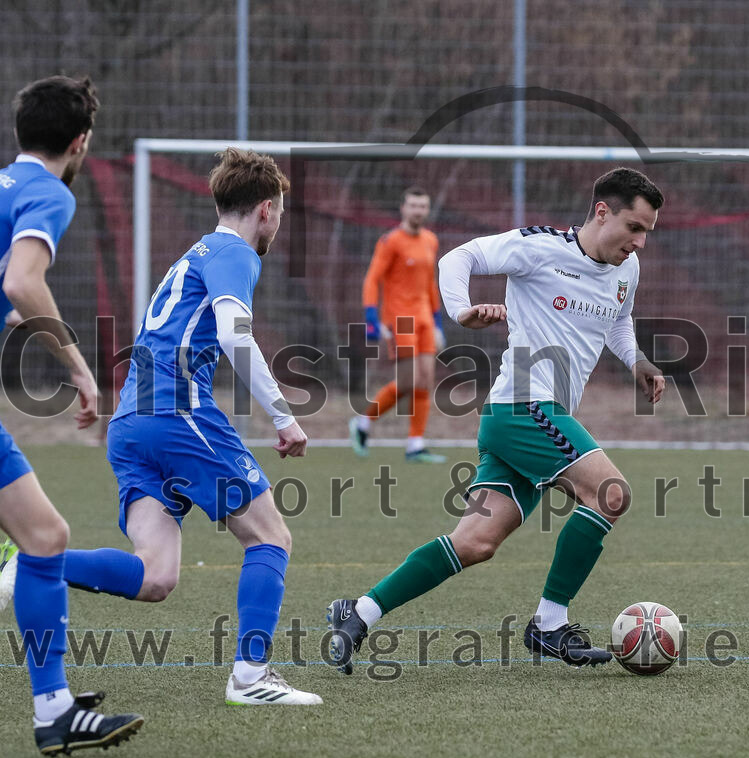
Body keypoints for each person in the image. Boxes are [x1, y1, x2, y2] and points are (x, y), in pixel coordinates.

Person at [3, 148, 322, 706]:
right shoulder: (235, 252)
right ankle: (250, 677)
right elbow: (235, 334)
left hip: (131, 423)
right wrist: (284, 415)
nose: (278, 226)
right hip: (177, 413)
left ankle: (26, 565)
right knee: (271, 535)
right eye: (281, 216)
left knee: (155, 577)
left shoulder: (193, 253)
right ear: (266, 209)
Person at [328, 167, 666, 671]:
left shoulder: (626, 269)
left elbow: (618, 319)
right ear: (602, 212)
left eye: (647, 232)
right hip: (523, 407)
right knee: (611, 493)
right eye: (634, 228)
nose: (640, 242)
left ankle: (358, 612)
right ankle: (549, 625)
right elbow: (458, 258)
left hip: (524, 421)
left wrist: (636, 359)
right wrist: (461, 311)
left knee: (475, 542)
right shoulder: (538, 247)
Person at [0, 75, 144, 755]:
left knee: (45, 536)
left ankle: (55, 708)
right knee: (43, 537)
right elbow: (23, 281)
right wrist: (80, 368)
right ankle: (53, 709)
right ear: (80, 141)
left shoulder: (3, 184)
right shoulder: (46, 193)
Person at [348, 186, 447, 463]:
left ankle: (415, 444)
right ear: (403, 209)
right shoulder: (390, 241)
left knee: (425, 381)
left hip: (426, 319)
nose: (418, 211)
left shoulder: (430, 240)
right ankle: (363, 422)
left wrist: (438, 322)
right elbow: (372, 279)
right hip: (401, 320)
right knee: (408, 381)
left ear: (427, 210)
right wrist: (371, 317)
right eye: (413, 205)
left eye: (423, 206)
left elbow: (429, 284)